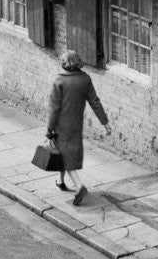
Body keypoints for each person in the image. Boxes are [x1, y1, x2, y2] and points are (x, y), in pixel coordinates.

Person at [46, 50, 110, 205]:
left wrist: (49, 129)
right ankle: (60, 181)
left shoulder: (59, 81)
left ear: (64, 63)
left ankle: (79, 185)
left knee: (65, 155)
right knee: (64, 153)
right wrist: (105, 122)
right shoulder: (85, 79)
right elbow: (95, 102)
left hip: (61, 125)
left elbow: (54, 108)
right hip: (76, 123)